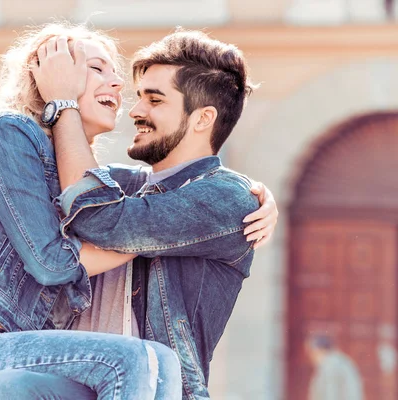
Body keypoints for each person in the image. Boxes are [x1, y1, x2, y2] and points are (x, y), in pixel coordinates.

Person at [0, 23, 277, 400]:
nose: (129, 102)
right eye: (98, 69)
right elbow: (66, 251)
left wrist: (252, 196)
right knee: (142, 360)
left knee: (145, 362)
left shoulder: (217, 199)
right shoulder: (12, 133)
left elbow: (111, 213)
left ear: (203, 118)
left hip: (96, 380)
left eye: (154, 99)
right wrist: (61, 103)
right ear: (46, 76)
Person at [26, 29, 276, 399]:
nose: (136, 111)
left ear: (203, 118)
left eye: (155, 100)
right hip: (71, 379)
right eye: (139, 97)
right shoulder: (122, 184)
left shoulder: (228, 199)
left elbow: (100, 220)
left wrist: (63, 104)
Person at [305, 334, 364, 400]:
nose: (310, 357)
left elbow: (330, 395)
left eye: (311, 352)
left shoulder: (331, 365)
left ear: (319, 350)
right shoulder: (339, 361)